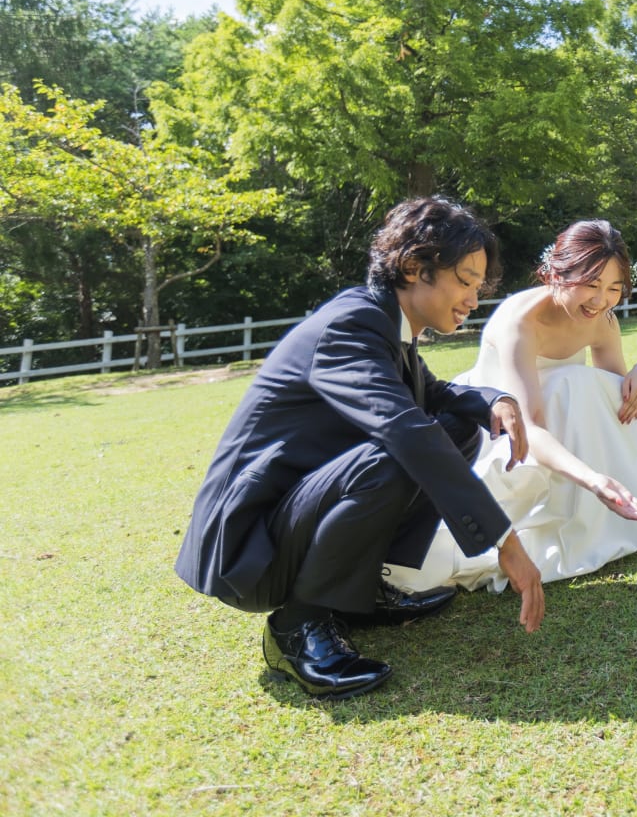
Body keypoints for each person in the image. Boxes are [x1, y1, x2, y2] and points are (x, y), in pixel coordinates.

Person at [174, 196, 544, 701]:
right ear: (415, 268)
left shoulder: (384, 323)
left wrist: (493, 401)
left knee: (456, 427)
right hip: (248, 548)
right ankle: (296, 628)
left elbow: (432, 396)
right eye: (465, 280)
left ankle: (357, 591)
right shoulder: (351, 325)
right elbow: (405, 429)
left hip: (289, 517)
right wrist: (504, 539)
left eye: (479, 286)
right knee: (400, 450)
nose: (473, 299)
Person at [387, 219, 637, 594]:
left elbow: (612, 392)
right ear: (555, 273)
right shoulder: (521, 324)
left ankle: (614, 501)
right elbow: (531, 424)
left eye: (613, 288)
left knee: (580, 383)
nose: (601, 300)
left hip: (570, 422)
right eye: (591, 285)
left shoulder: (601, 319)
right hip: (506, 426)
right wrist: (594, 480)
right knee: (569, 383)